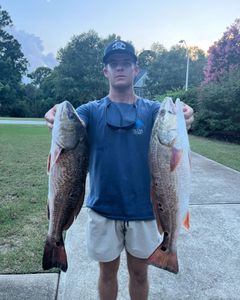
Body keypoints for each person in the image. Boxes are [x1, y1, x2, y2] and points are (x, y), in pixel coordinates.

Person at [45, 40, 194, 300]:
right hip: (103, 209)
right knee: (106, 274)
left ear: (136, 69)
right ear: (106, 71)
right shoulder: (91, 111)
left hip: (145, 211)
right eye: (114, 64)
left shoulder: (152, 111)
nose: (120, 68)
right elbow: (70, 122)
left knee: (139, 274)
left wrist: (186, 116)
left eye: (126, 64)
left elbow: (175, 123)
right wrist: (55, 115)